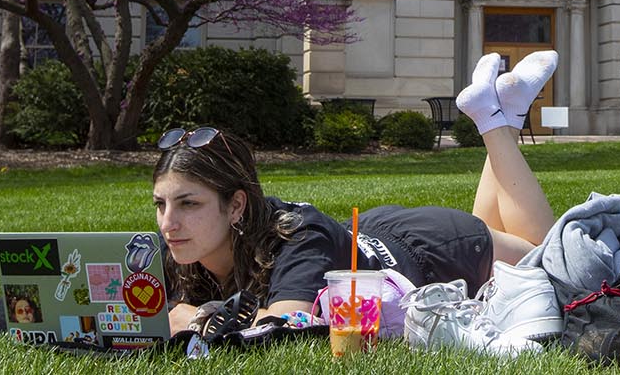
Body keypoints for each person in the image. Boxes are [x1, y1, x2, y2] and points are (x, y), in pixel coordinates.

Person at [152, 51, 560, 331]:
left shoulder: (295, 236)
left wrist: (195, 318)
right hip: (372, 234)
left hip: (431, 250)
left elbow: (286, 326)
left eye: (189, 204)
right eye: (161, 204)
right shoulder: (173, 248)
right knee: (498, 236)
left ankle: (493, 119)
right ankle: (506, 107)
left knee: (543, 262)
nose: (169, 223)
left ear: (236, 205)